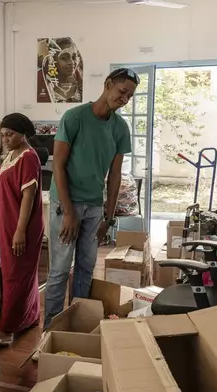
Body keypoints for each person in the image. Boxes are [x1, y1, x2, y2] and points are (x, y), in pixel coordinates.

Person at [43, 68, 139, 330]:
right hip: (66, 205)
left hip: (95, 207)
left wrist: (109, 216)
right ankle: (49, 330)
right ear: (108, 85)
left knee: (86, 268)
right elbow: (58, 166)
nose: (124, 99)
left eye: (130, 96)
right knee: (61, 269)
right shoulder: (74, 118)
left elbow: (115, 175)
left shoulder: (120, 128)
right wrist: (70, 211)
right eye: (122, 92)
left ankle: (76, 324)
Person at [0, 113, 44, 345]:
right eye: (2, 135)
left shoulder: (29, 158)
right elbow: (4, 190)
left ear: (23, 134)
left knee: (17, 275)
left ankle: (8, 329)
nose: (5, 139)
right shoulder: (11, 155)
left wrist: (20, 231)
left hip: (23, 226)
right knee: (15, 273)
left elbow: (28, 197)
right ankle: (29, 317)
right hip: (9, 222)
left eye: (10, 134)